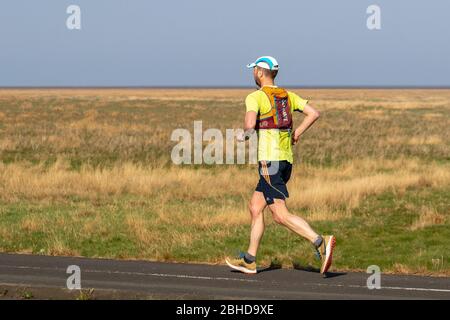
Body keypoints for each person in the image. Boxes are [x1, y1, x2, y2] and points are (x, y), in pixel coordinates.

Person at [225, 56, 335, 274]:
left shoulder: (255, 97)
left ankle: (320, 242)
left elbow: (248, 125)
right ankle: (249, 260)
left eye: (253, 70)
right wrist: (297, 134)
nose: (252, 73)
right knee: (255, 207)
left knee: (279, 215)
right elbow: (314, 113)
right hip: (285, 162)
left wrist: (243, 136)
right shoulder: (288, 95)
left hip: (269, 162)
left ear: (259, 72)